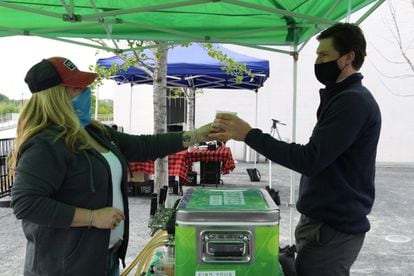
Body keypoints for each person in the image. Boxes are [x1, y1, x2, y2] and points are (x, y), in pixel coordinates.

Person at [10, 57, 212, 276]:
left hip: (104, 259)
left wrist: (197, 135)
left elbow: (143, 145)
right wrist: (92, 217)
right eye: (77, 88)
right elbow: (25, 203)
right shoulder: (45, 143)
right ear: (55, 96)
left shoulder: (95, 132)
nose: (87, 93)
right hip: (65, 267)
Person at [210, 23, 381, 276]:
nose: (317, 61)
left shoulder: (352, 101)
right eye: (317, 54)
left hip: (333, 229)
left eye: (324, 55)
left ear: (348, 57)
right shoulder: (341, 97)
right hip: (323, 225)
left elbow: (310, 159)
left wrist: (248, 135)